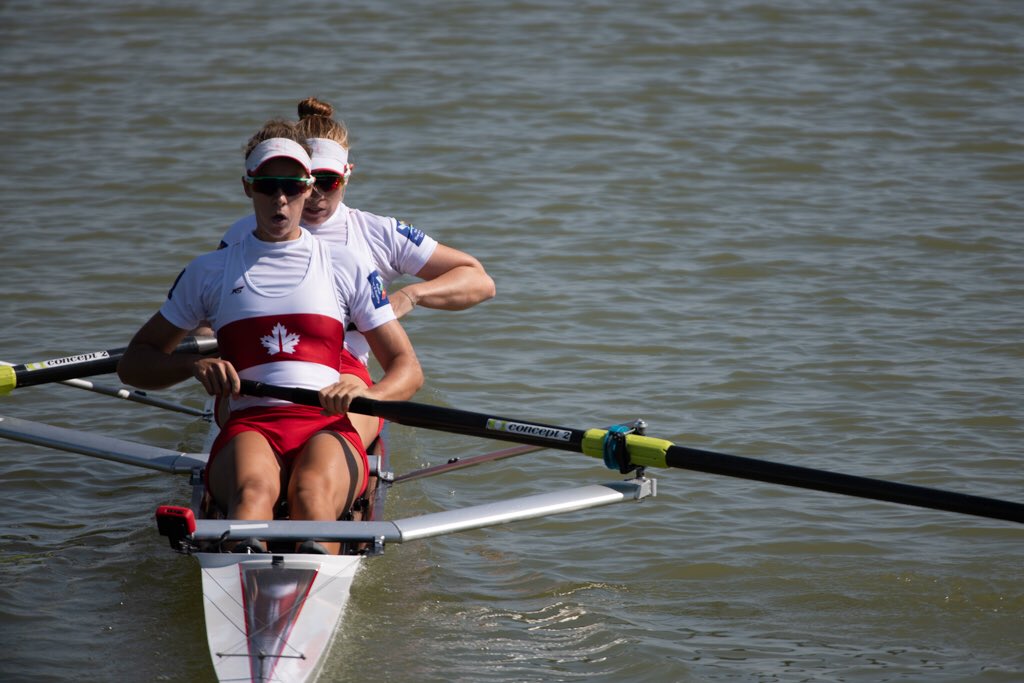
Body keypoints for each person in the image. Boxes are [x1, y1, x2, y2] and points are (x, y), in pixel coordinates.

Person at [118, 120, 423, 555]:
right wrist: (192, 365)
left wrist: (365, 395)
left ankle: (306, 571)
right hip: (251, 422)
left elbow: (407, 371)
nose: (280, 199)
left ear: (308, 186)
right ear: (248, 188)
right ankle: (249, 571)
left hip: (327, 420)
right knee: (252, 496)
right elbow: (135, 363)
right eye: (268, 186)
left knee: (312, 497)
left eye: (293, 187)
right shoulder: (208, 271)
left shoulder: (346, 264)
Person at [219, 97, 495, 449]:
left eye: (329, 181)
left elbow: (479, 280)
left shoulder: (377, 233)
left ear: (347, 174)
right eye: (306, 182)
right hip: (264, 368)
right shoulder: (243, 237)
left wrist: (409, 296)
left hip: (344, 374)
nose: (315, 195)